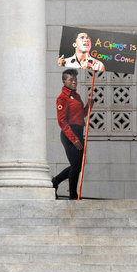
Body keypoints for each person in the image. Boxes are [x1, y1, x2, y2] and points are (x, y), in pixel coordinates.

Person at [52, 68, 93, 199]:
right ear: (64, 81)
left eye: (75, 79)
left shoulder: (77, 96)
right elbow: (62, 122)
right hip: (69, 134)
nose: (74, 81)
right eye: (70, 79)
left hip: (79, 132)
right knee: (76, 165)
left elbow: (81, 115)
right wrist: (74, 139)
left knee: (78, 166)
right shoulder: (62, 98)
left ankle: (55, 182)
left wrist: (89, 107)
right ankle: (73, 194)